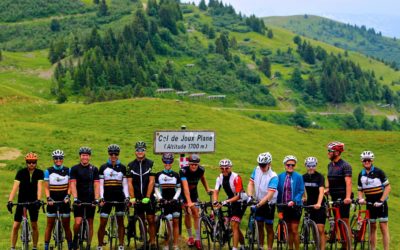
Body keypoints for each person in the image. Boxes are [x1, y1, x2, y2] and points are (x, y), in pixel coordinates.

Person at [7, 152, 44, 250]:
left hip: (33, 201)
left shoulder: (40, 173)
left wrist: (39, 200)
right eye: (29, 162)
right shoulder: (21, 172)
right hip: (21, 201)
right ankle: (12, 247)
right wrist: (10, 201)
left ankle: (35, 247)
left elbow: (40, 188)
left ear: (36, 162)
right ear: (26, 162)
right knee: (15, 226)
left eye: (33, 162)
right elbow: (15, 188)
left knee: (34, 225)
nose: (31, 164)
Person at [97, 144, 129, 250]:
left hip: (119, 198)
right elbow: (101, 185)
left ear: (118, 154)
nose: (113, 156)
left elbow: (125, 185)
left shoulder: (123, 168)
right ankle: (100, 245)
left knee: (120, 221)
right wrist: (101, 197)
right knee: (103, 223)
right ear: (109, 154)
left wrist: (127, 197)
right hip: (106, 198)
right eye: (111, 153)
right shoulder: (103, 167)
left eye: (116, 154)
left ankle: (120, 244)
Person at [357, 151, 391, 250]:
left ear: (372, 160)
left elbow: (388, 187)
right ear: (362, 161)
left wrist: (381, 201)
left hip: (381, 203)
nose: (366, 162)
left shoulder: (378, 172)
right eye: (364, 160)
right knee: (372, 227)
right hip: (370, 204)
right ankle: (373, 249)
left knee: (383, 227)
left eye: (368, 160)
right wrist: (360, 199)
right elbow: (360, 189)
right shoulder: (361, 174)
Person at [126, 141, 157, 250]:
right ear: (135, 151)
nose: (140, 152)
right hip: (137, 197)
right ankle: (145, 242)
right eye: (138, 150)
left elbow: (152, 181)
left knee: (151, 219)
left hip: (148, 197)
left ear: (145, 151)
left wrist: (148, 197)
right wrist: (132, 197)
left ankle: (153, 243)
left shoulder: (152, 163)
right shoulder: (130, 166)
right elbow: (129, 183)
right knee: (141, 219)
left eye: (142, 150)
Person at [70, 146, 100, 250]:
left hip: (90, 198)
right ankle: (75, 238)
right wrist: (75, 198)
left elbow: (97, 185)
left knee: (90, 222)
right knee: (77, 222)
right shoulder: (74, 169)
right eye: (83, 155)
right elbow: (73, 184)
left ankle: (88, 245)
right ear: (80, 156)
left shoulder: (94, 169)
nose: (85, 157)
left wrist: (96, 198)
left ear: (89, 157)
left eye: (87, 155)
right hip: (79, 199)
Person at [246, 152, 278, 250]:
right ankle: (260, 247)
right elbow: (251, 183)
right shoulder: (256, 170)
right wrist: (250, 196)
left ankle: (269, 248)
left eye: (263, 165)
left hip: (269, 203)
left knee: (268, 226)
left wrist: (259, 204)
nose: (261, 167)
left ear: (269, 164)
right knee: (259, 225)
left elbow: (269, 195)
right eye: (260, 164)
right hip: (258, 200)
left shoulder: (273, 176)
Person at [213, 159, 246, 250]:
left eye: (226, 168)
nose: (224, 170)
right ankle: (243, 246)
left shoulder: (236, 177)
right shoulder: (219, 177)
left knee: (234, 224)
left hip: (240, 201)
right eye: (222, 168)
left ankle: (235, 248)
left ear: (230, 167)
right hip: (231, 200)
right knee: (236, 227)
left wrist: (225, 202)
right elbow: (216, 191)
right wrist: (215, 201)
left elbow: (238, 196)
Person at [180, 153, 211, 249]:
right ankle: (190, 237)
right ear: (189, 164)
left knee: (196, 213)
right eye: (192, 164)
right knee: (187, 213)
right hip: (183, 194)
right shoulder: (183, 171)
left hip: (194, 193)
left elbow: (202, 178)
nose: (193, 166)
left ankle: (197, 239)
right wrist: (189, 202)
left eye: (195, 165)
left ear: (198, 165)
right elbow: (185, 188)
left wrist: (207, 189)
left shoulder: (201, 169)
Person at [44, 150, 73, 250]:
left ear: (63, 159)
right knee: (49, 225)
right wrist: (48, 198)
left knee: (66, 225)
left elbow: (70, 186)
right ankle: (46, 246)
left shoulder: (68, 170)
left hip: (64, 201)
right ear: (53, 159)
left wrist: (68, 196)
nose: (58, 160)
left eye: (60, 158)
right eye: (56, 158)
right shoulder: (48, 171)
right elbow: (46, 187)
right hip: (52, 201)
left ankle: (70, 245)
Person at [154, 153, 182, 250]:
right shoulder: (159, 175)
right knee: (168, 222)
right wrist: (160, 198)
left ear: (172, 162)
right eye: (166, 162)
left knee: (176, 221)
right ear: (163, 162)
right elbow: (156, 189)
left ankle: (175, 244)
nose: (167, 164)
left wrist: (175, 198)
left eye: (169, 162)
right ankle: (166, 244)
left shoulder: (176, 175)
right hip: (164, 201)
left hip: (174, 201)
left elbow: (179, 189)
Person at [277, 155, 304, 250]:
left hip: (295, 206)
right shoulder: (280, 176)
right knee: (288, 229)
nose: (290, 166)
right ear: (285, 165)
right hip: (284, 206)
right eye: (288, 165)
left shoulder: (299, 177)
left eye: (293, 165)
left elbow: (301, 191)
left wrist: (294, 200)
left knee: (294, 229)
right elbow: (277, 191)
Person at [325, 141, 352, 228]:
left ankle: (348, 241)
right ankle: (340, 239)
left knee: (345, 220)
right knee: (337, 220)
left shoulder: (345, 165)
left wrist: (347, 197)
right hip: (334, 196)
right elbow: (329, 178)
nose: (328, 153)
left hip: (343, 195)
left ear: (336, 152)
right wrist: (327, 189)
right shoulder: (330, 165)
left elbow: (348, 182)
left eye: (330, 151)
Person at [302, 157, 326, 250]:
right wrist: (304, 197)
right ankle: (317, 247)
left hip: (319, 205)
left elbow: (321, 191)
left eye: (313, 165)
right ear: (306, 166)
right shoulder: (303, 177)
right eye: (309, 165)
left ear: (316, 166)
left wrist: (319, 203)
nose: (311, 167)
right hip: (310, 204)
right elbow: (302, 189)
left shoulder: (320, 177)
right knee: (314, 229)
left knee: (320, 229)